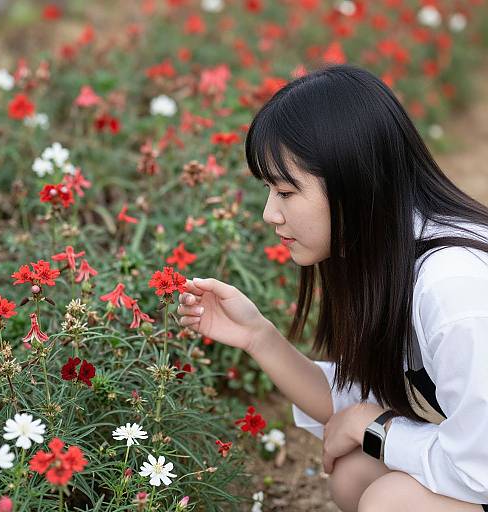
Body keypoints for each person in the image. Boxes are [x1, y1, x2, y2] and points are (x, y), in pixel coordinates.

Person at [175, 63, 488, 511]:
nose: (269, 213)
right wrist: (258, 337)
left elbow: (479, 469)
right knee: (354, 473)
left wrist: (377, 429)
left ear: (353, 182)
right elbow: (349, 406)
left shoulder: (453, 289)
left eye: (285, 192)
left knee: (390, 501)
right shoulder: (396, 255)